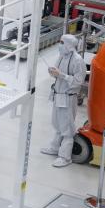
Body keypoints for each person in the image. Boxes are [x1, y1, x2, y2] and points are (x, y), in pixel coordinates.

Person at [41, 34, 86, 168]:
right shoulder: (62, 56)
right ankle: (55, 148)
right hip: (58, 94)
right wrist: (52, 72)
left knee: (67, 128)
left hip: (68, 97)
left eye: (62, 42)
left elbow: (79, 81)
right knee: (57, 123)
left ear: (69, 45)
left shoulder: (78, 61)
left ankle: (65, 157)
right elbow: (57, 71)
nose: (59, 45)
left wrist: (61, 75)